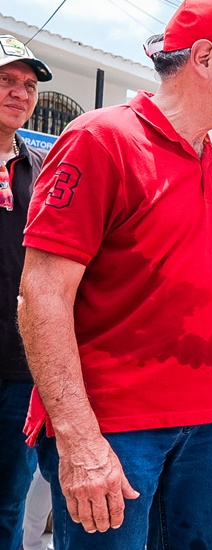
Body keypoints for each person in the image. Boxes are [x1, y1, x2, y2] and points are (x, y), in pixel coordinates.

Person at [16, 1, 212, 548]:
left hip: (207, 426)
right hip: (114, 428)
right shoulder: (101, 139)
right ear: (204, 57)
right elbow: (42, 295)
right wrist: (79, 439)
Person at [0, 34, 51, 550]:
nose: (20, 93)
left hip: (21, 365)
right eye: (6, 80)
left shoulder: (42, 169)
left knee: (10, 501)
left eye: (29, 85)